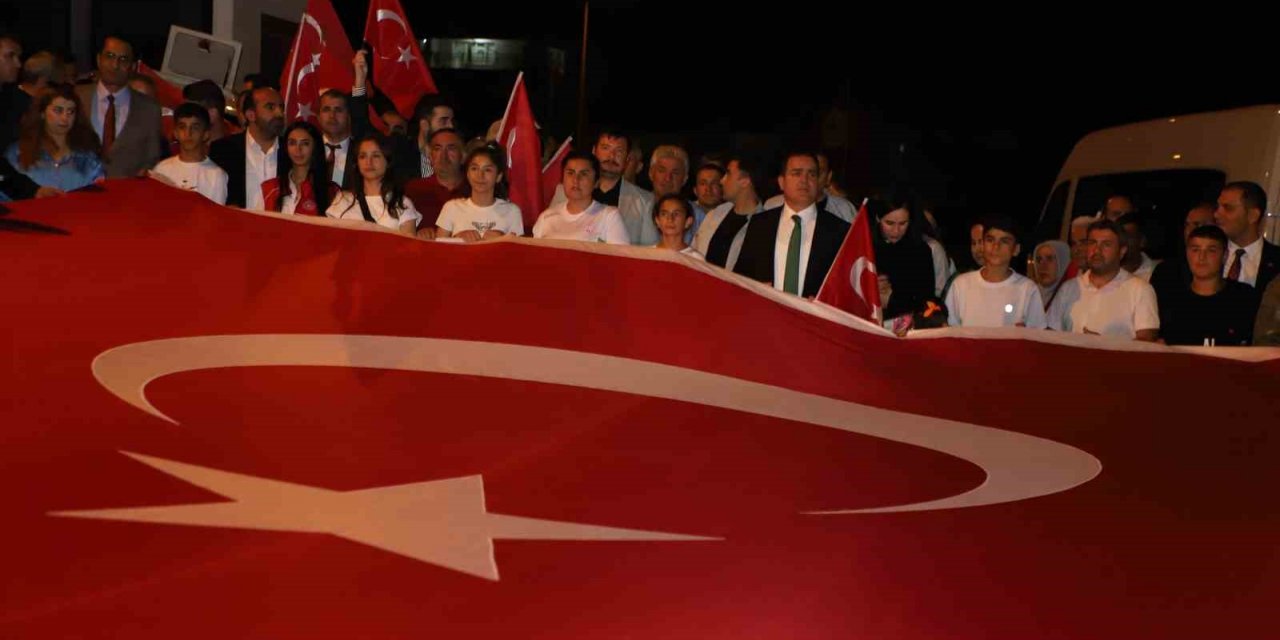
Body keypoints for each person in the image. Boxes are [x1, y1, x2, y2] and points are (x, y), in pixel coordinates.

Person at [733, 151, 850, 298]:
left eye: (812, 174)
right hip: (766, 315)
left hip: (814, 318)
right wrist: (755, 290)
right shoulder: (760, 224)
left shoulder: (840, 231)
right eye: (796, 173)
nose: (804, 180)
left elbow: (847, 288)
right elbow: (740, 277)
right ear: (782, 182)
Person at [1047, 219, 1159, 340]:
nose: (1096, 250)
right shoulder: (1069, 288)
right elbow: (1050, 335)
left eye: (1106, 244)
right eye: (1092, 243)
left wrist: (1104, 345)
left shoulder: (1140, 289)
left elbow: (1146, 344)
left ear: (1122, 251)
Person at [74, 36, 163, 178]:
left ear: (132, 67)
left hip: (126, 195)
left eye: (123, 59)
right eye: (109, 56)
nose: (115, 65)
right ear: (98, 60)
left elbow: (152, 161)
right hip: (75, 191)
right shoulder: (75, 98)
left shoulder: (149, 109)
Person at [1158, 224, 1258, 346]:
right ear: (1187, 253)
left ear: (1225, 255)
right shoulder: (1171, 301)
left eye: (1211, 250)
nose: (1201, 257)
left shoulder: (1244, 298)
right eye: (1195, 250)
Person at [944, 216, 1046, 328]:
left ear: (1016, 249)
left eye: (1004, 241)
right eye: (990, 240)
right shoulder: (961, 285)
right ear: (983, 244)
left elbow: (1037, 336)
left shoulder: (1027, 289)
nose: (996, 246)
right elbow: (950, 333)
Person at [4, 83, 103, 192]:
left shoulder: (87, 156)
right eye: (58, 110)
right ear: (42, 113)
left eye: (70, 111)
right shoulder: (18, 152)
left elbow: (97, 193)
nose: (65, 118)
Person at [326, 133, 420, 235]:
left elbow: (409, 248)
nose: (369, 162)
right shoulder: (342, 200)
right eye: (363, 156)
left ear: (388, 161)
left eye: (376, 156)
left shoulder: (402, 203)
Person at [208, 86, 283, 208]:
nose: (279, 114)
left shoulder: (292, 151)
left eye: (281, 107)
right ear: (251, 115)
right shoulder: (224, 150)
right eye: (271, 107)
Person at [532, 150, 629, 244]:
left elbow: (621, 258)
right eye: (570, 173)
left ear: (596, 182)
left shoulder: (609, 217)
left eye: (584, 174)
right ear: (562, 179)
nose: (575, 180)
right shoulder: (546, 217)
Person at [435, 145, 523, 241]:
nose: (480, 175)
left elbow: (520, 253)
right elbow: (437, 250)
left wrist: (503, 241)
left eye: (487, 170)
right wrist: (457, 239)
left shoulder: (512, 211)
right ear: (467, 174)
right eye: (474, 169)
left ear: (498, 176)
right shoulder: (451, 207)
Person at [870, 194, 935, 319]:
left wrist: (891, 299)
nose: (896, 231)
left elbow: (927, 302)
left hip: (907, 327)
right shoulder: (864, 246)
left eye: (903, 223)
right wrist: (869, 284)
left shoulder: (920, 251)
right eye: (889, 223)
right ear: (878, 218)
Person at [149, 102, 227, 204]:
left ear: (205, 134)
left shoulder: (216, 175)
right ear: (176, 133)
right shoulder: (161, 169)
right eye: (182, 127)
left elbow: (214, 216)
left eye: (195, 127)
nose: (188, 133)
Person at [260, 121, 337, 215]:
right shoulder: (270, 189)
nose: (298, 149)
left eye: (305, 143)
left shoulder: (331, 192)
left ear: (315, 147)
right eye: (292, 143)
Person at [651, 193, 703, 259]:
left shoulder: (695, 258)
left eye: (676, 214)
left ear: (688, 222)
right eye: (664, 214)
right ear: (657, 221)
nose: (670, 219)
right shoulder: (647, 255)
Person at [1031, 240, 1072, 311]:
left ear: (1063, 262)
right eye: (1038, 260)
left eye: (1049, 259)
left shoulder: (1072, 297)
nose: (1043, 266)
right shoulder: (1028, 294)